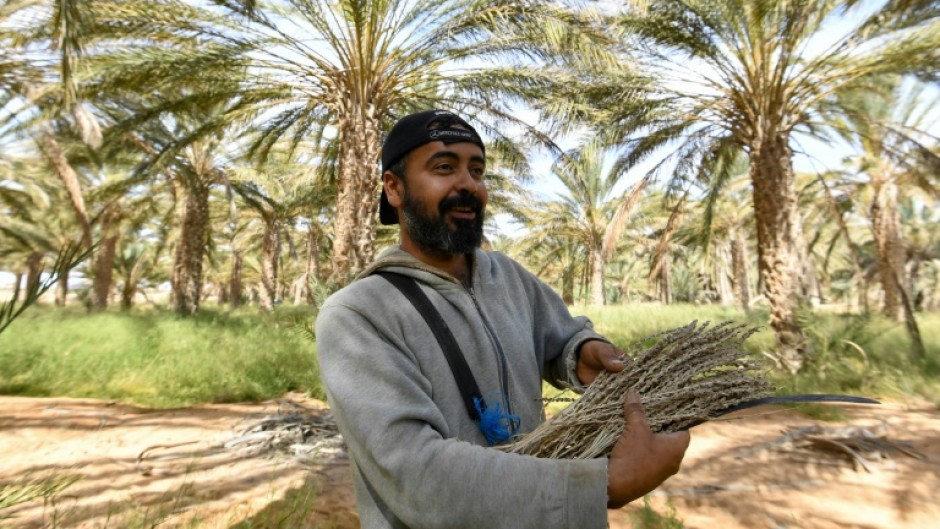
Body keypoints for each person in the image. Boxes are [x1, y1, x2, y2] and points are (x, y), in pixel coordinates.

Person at [315, 109, 690, 529]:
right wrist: (603, 485)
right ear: (394, 188)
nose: (468, 185)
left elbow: (561, 338)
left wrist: (581, 352)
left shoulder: (507, 277)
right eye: (444, 168)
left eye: (477, 170)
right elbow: (415, 474)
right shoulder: (358, 315)